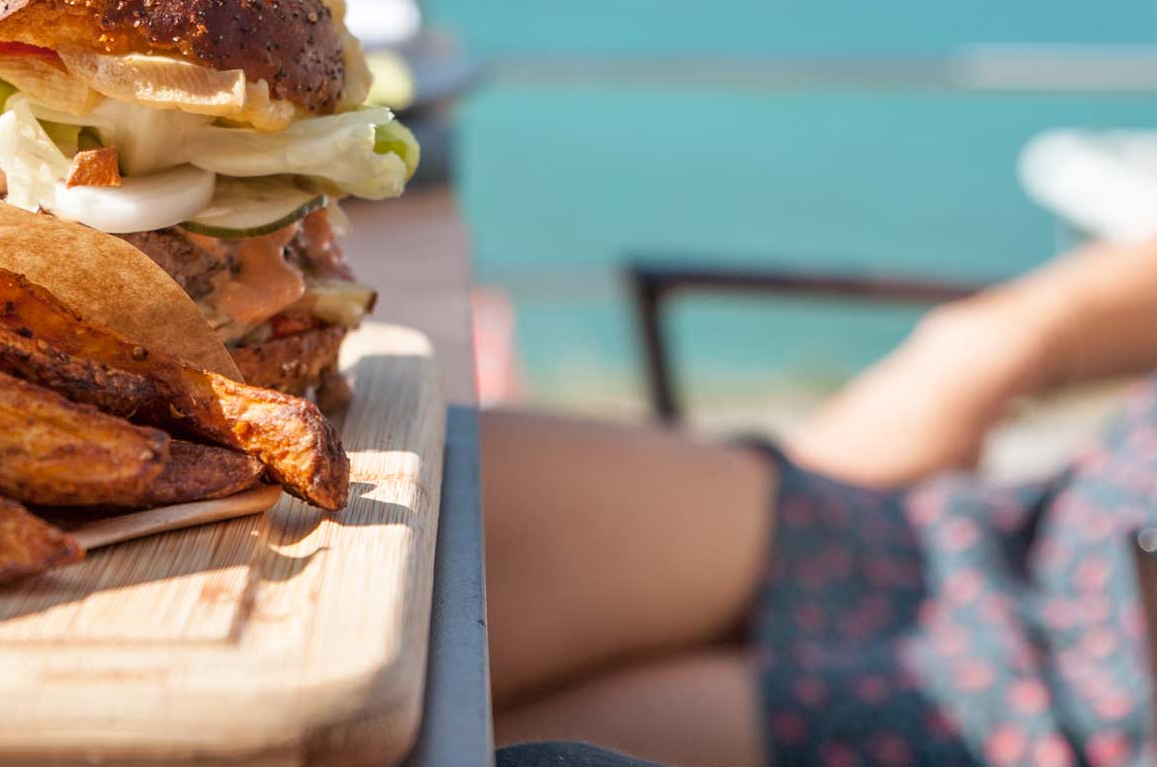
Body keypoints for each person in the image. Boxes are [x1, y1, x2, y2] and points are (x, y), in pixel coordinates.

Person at [486, 237, 1157, 766]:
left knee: (452, 734)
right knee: (463, 490)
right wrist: (999, 340)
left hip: (1034, 737)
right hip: (1008, 532)